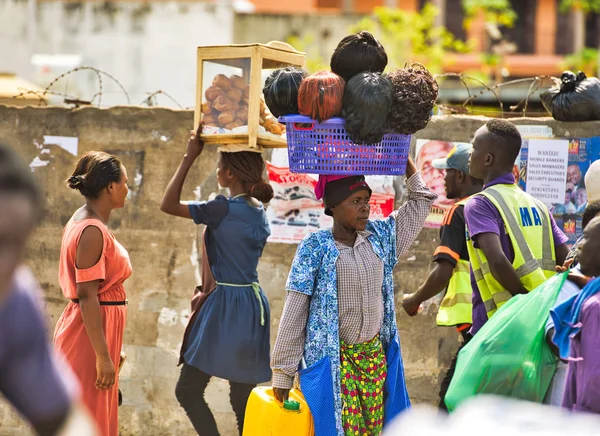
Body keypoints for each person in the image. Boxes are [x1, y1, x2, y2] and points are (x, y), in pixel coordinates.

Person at [271, 157, 436, 435]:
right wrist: (283, 372)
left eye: (366, 200)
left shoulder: (380, 237)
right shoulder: (315, 248)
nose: (364, 207)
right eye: (355, 201)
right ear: (333, 207)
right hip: (334, 365)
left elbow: (421, 202)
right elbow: (295, 309)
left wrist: (405, 161)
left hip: (373, 362)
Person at [161, 128, 273, 436]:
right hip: (252, 305)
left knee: (188, 390)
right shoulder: (258, 210)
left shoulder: (222, 208)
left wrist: (189, 157)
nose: (216, 170)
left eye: (220, 165)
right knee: (242, 398)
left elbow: (167, 204)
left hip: (225, 305)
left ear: (231, 173)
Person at [0, 144, 97, 436]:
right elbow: (87, 292)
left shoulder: (13, 302)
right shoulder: (89, 229)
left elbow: (64, 421)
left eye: (13, 244)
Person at [465, 119, 570, 335]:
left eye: (474, 147)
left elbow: (497, 261)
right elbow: (567, 259)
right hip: (542, 321)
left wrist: (525, 301)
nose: (469, 153)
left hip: (500, 325)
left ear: (488, 159)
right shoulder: (539, 206)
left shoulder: (480, 203)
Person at [53, 151, 132, 436]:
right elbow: (87, 295)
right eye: (125, 182)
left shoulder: (85, 222)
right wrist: (102, 355)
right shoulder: (91, 230)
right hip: (86, 340)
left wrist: (110, 347)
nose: (127, 188)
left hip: (94, 333)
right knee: (90, 423)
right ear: (111, 187)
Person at [402, 144, 483, 411]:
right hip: (498, 321)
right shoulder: (494, 208)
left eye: (446, 172)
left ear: (460, 176)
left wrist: (413, 300)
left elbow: (443, 271)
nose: (441, 178)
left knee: (448, 404)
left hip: (476, 326)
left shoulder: (458, 212)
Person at [548, 216, 600, 413]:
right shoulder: (591, 293)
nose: (578, 245)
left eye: (585, 238)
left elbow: (594, 381)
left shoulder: (594, 307)